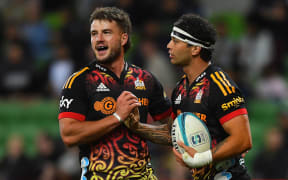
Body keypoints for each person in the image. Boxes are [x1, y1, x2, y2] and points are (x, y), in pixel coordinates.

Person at [125, 13, 253, 180]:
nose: (169, 45)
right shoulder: (180, 89)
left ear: (195, 48)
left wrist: (200, 158)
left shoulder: (218, 84)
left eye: (176, 41)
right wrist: (138, 127)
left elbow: (243, 139)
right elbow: (175, 134)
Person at [58, 7, 172, 179]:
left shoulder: (146, 79)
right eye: (94, 34)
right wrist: (117, 117)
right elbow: (68, 135)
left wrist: (139, 128)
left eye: (106, 32)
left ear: (123, 37)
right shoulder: (79, 81)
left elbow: (174, 132)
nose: (99, 39)